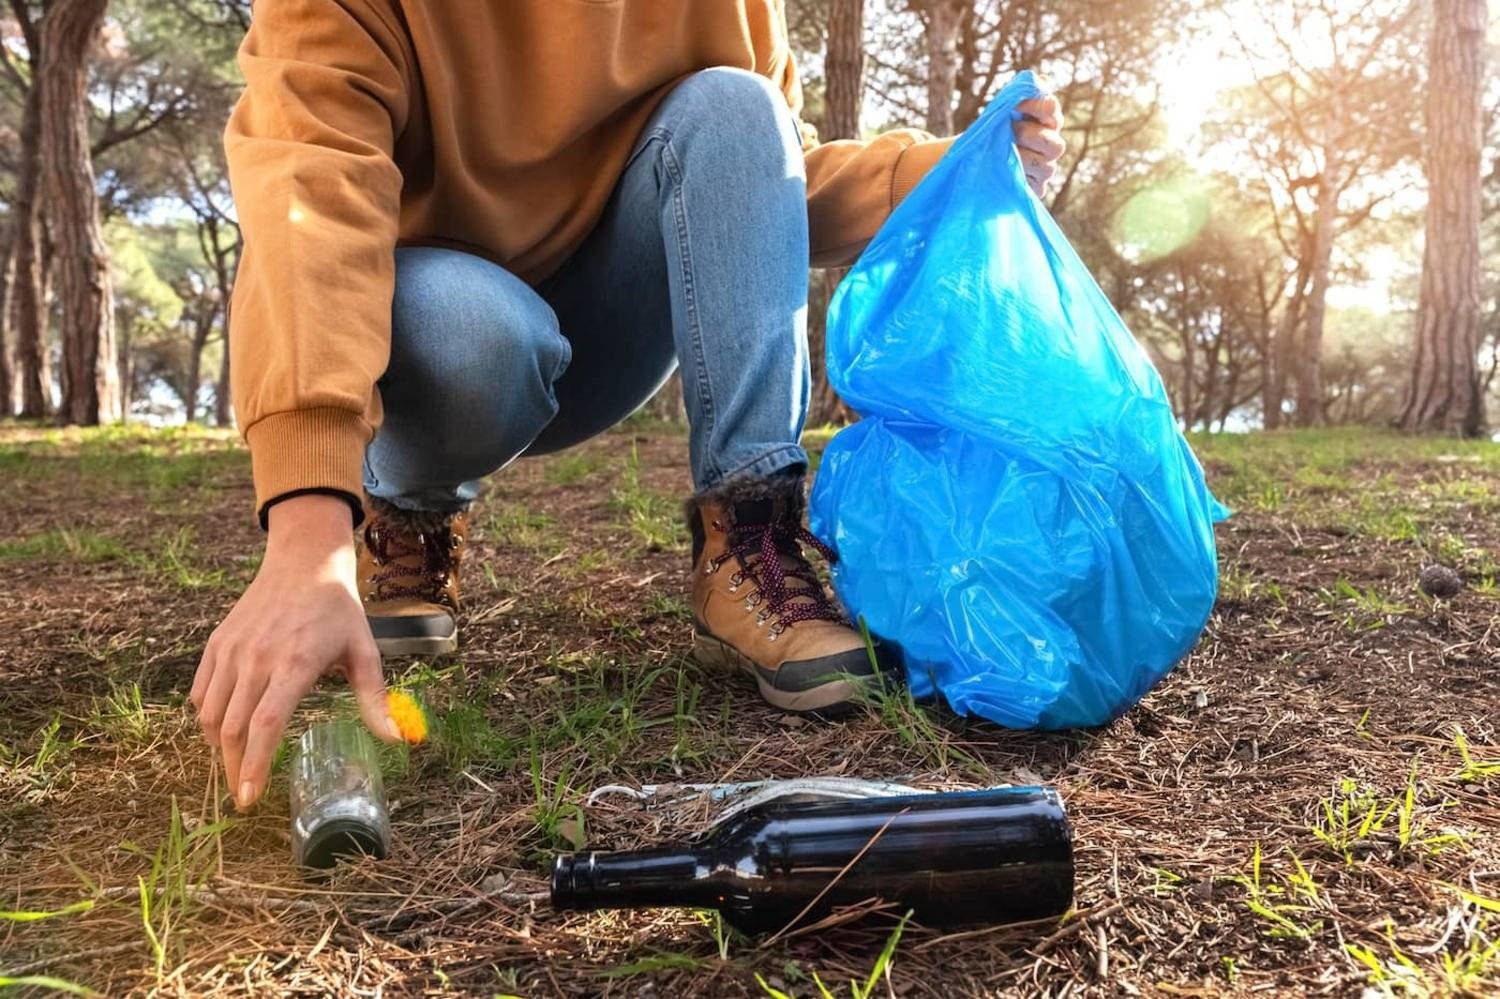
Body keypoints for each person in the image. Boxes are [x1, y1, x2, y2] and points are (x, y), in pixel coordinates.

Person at [190, 0, 1066, 812]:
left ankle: (746, 535)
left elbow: (754, 184)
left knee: (739, 105)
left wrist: (937, 175)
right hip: (439, 337)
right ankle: (407, 518)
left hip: (609, 324)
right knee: (480, 330)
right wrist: (308, 540)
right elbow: (311, 194)